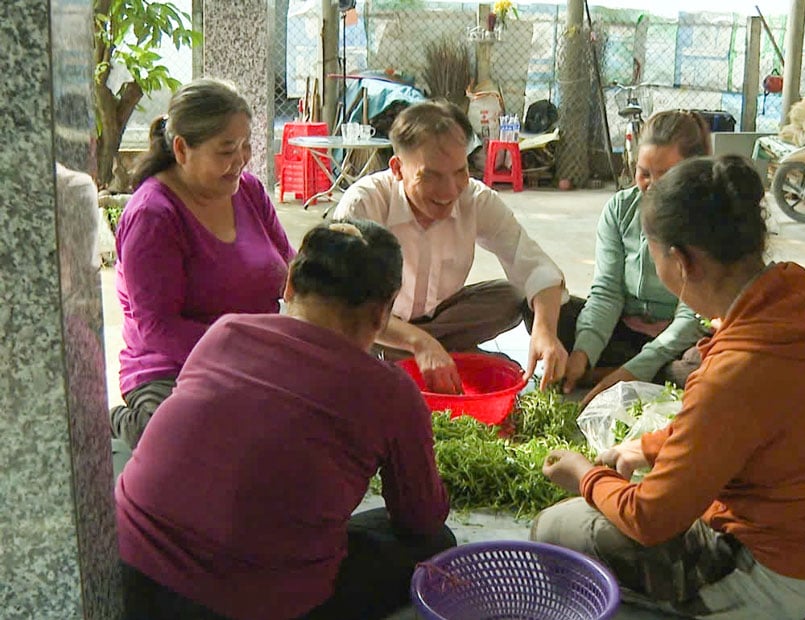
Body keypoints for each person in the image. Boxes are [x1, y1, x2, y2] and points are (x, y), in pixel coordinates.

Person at [534, 155, 805, 619]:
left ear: (681, 260)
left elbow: (650, 519)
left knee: (555, 529)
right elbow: (747, 421)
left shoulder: (735, 369)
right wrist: (646, 448)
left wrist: (584, 476)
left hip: (796, 577)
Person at [116, 220, 454, 620]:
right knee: (435, 542)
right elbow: (420, 518)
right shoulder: (391, 392)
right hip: (254, 606)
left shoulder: (225, 331)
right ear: (382, 314)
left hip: (130, 578)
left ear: (290, 283)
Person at [332, 100, 569, 393]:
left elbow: (533, 264)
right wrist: (421, 342)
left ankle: (414, 356)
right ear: (397, 168)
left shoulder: (476, 199)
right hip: (378, 324)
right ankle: (422, 353)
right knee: (348, 324)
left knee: (513, 295)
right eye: (431, 176)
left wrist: (545, 331)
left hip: (443, 318)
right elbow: (344, 303)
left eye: (459, 171)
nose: (449, 191)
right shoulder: (365, 203)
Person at [110, 78, 295, 448]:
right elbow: (158, 328)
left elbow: (290, 269)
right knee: (182, 444)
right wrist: (241, 352)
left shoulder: (249, 190)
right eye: (226, 151)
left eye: (246, 146)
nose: (241, 160)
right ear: (181, 148)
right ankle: (121, 420)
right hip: (172, 367)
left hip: (256, 358)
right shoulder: (153, 216)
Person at [557, 110, 711, 404]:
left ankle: (621, 373)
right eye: (644, 173)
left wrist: (634, 368)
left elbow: (691, 315)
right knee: (548, 311)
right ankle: (603, 369)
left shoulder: (704, 219)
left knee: (702, 363)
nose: (651, 185)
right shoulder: (620, 209)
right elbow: (606, 292)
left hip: (678, 339)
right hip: (624, 331)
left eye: (666, 175)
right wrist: (582, 352)